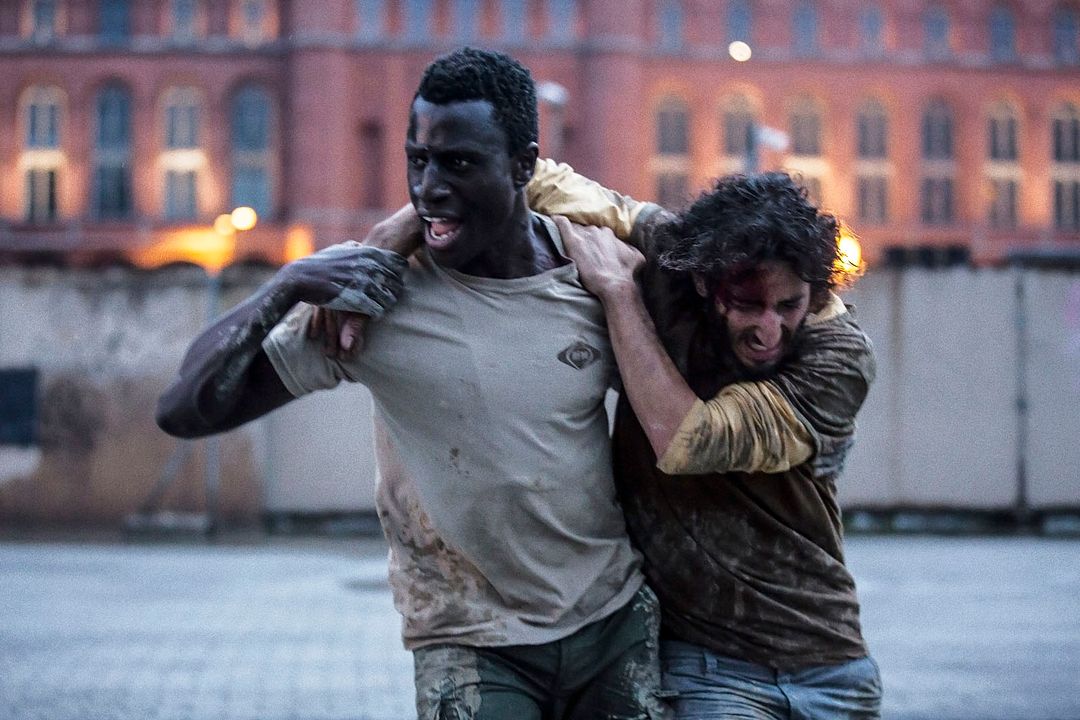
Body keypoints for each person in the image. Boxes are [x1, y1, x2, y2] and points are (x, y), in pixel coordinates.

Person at [156, 48, 665, 719]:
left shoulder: (595, 275)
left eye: (457, 163)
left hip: (613, 622)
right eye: (417, 160)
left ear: (522, 166)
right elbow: (185, 410)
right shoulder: (371, 297)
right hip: (472, 640)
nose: (428, 186)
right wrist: (284, 287)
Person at [526, 166, 882, 719]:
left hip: (832, 665)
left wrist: (620, 296)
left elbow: (690, 440)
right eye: (747, 304)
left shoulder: (839, 358)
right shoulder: (675, 258)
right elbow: (531, 178)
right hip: (710, 668)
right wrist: (386, 245)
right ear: (705, 284)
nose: (769, 330)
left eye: (788, 306)